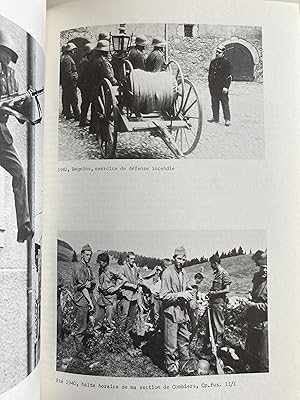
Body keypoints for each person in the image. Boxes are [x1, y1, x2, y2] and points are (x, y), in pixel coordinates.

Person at [0, 31, 34, 242]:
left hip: (2, 135)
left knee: (19, 173)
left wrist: (26, 103)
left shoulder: (11, 77)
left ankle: (24, 225)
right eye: (4, 52)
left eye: (10, 55)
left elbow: (21, 115)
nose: (7, 58)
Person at [160, 246, 194, 376]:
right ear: (174, 258)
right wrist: (180, 294)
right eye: (179, 258)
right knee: (171, 344)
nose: (181, 261)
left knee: (184, 340)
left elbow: (187, 287)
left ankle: (185, 365)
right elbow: (163, 296)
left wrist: (191, 291)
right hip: (171, 312)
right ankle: (172, 370)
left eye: (184, 259)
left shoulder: (184, 272)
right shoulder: (167, 273)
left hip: (182, 312)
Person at [71, 244, 95, 361]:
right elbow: (82, 287)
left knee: (84, 324)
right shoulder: (79, 267)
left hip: (86, 299)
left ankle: (82, 346)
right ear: (82, 254)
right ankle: (80, 352)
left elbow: (91, 282)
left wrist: (90, 283)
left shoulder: (87, 267)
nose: (88, 257)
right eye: (86, 255)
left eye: (90, 255)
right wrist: (90, 302)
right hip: (81, 300)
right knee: (81, 327)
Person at [89, 40, 117, 137]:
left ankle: (93, 128)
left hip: (95, 86)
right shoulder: (102, 61)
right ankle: (102, 131)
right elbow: (108, 75)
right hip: (102, 88)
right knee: (101, 109)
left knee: (95, 107)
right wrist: (116, 83)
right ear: (105, 51)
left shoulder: (95, 59)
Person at [245, 250, 268, 372]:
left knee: (264, 357)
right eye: (261, 267)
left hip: (266, 322)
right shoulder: (256, 276)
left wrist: (254, 305)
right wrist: (250, 294)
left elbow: (272, 307)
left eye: (266, 267)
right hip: (253, 319)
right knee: (250, 350)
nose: (263, 270)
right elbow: (254, 290)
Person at [95, 252, 127, 333]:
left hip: (111, 298)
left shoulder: (112, 270)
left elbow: (124, 279)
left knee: (110, 321)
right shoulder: (100, 270)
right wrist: (99, 286)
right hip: (102, 297)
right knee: (98, 318)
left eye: (100, 262)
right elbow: (102, 280)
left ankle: (108, 341)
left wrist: (116, 288)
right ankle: (96, 338)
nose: (99, 264)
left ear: (105, 262)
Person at [207, 254, 231, 348]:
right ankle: (213, 342)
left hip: (219, 302)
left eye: (211, 264)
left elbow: (227, 289)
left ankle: (219, 343)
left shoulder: (224, 273)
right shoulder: (216, 273)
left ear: (215, 263)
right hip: (213, 302)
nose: (210, 266)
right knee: (213, 323)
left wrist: (215, 293)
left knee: (218, 323)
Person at [207, 45, 232, 126]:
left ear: (223, 53)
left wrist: (226, 87)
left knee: (224, 103)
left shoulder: (226, 63)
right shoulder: (213, 62)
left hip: (222, 87)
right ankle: (215, 117)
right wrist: (210, 84)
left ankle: (227, 119)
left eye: (219, 52)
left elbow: (228, 76)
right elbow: (210, 74)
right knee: (214, 102)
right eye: (216, 52)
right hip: (214, 87)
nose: (217, 54)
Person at [118, 251, 141, 333]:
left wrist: (139, 281)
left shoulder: (135, 268)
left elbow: (138, 278)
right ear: (127, 259)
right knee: (124, 315)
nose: (133, 260)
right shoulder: (123, 268)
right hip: (126, 295)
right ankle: (120, 334)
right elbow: (119, 282)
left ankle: (128, 334)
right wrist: (131, 285)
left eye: (134, 259)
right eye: (131, 259)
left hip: (134, 296)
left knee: (132, 316)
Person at [60, 42, 80, 121]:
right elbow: (68, 73)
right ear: (70, 50)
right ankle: (77, 115)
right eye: (73, 50)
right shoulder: (67, 59)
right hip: (70, 83)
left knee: (67, 98)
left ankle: (68, 113)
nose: (74, 51)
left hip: (67, 83)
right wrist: (73, 81)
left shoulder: (65, 57)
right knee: (74, 99)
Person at [77, 43, 94, 127]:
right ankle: (83, 120)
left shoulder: (83, 60)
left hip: (83, 84)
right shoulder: (85, 62)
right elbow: (86, 75)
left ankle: (83, 119)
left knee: (85, 102)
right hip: (85, 85)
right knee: (85, 103)